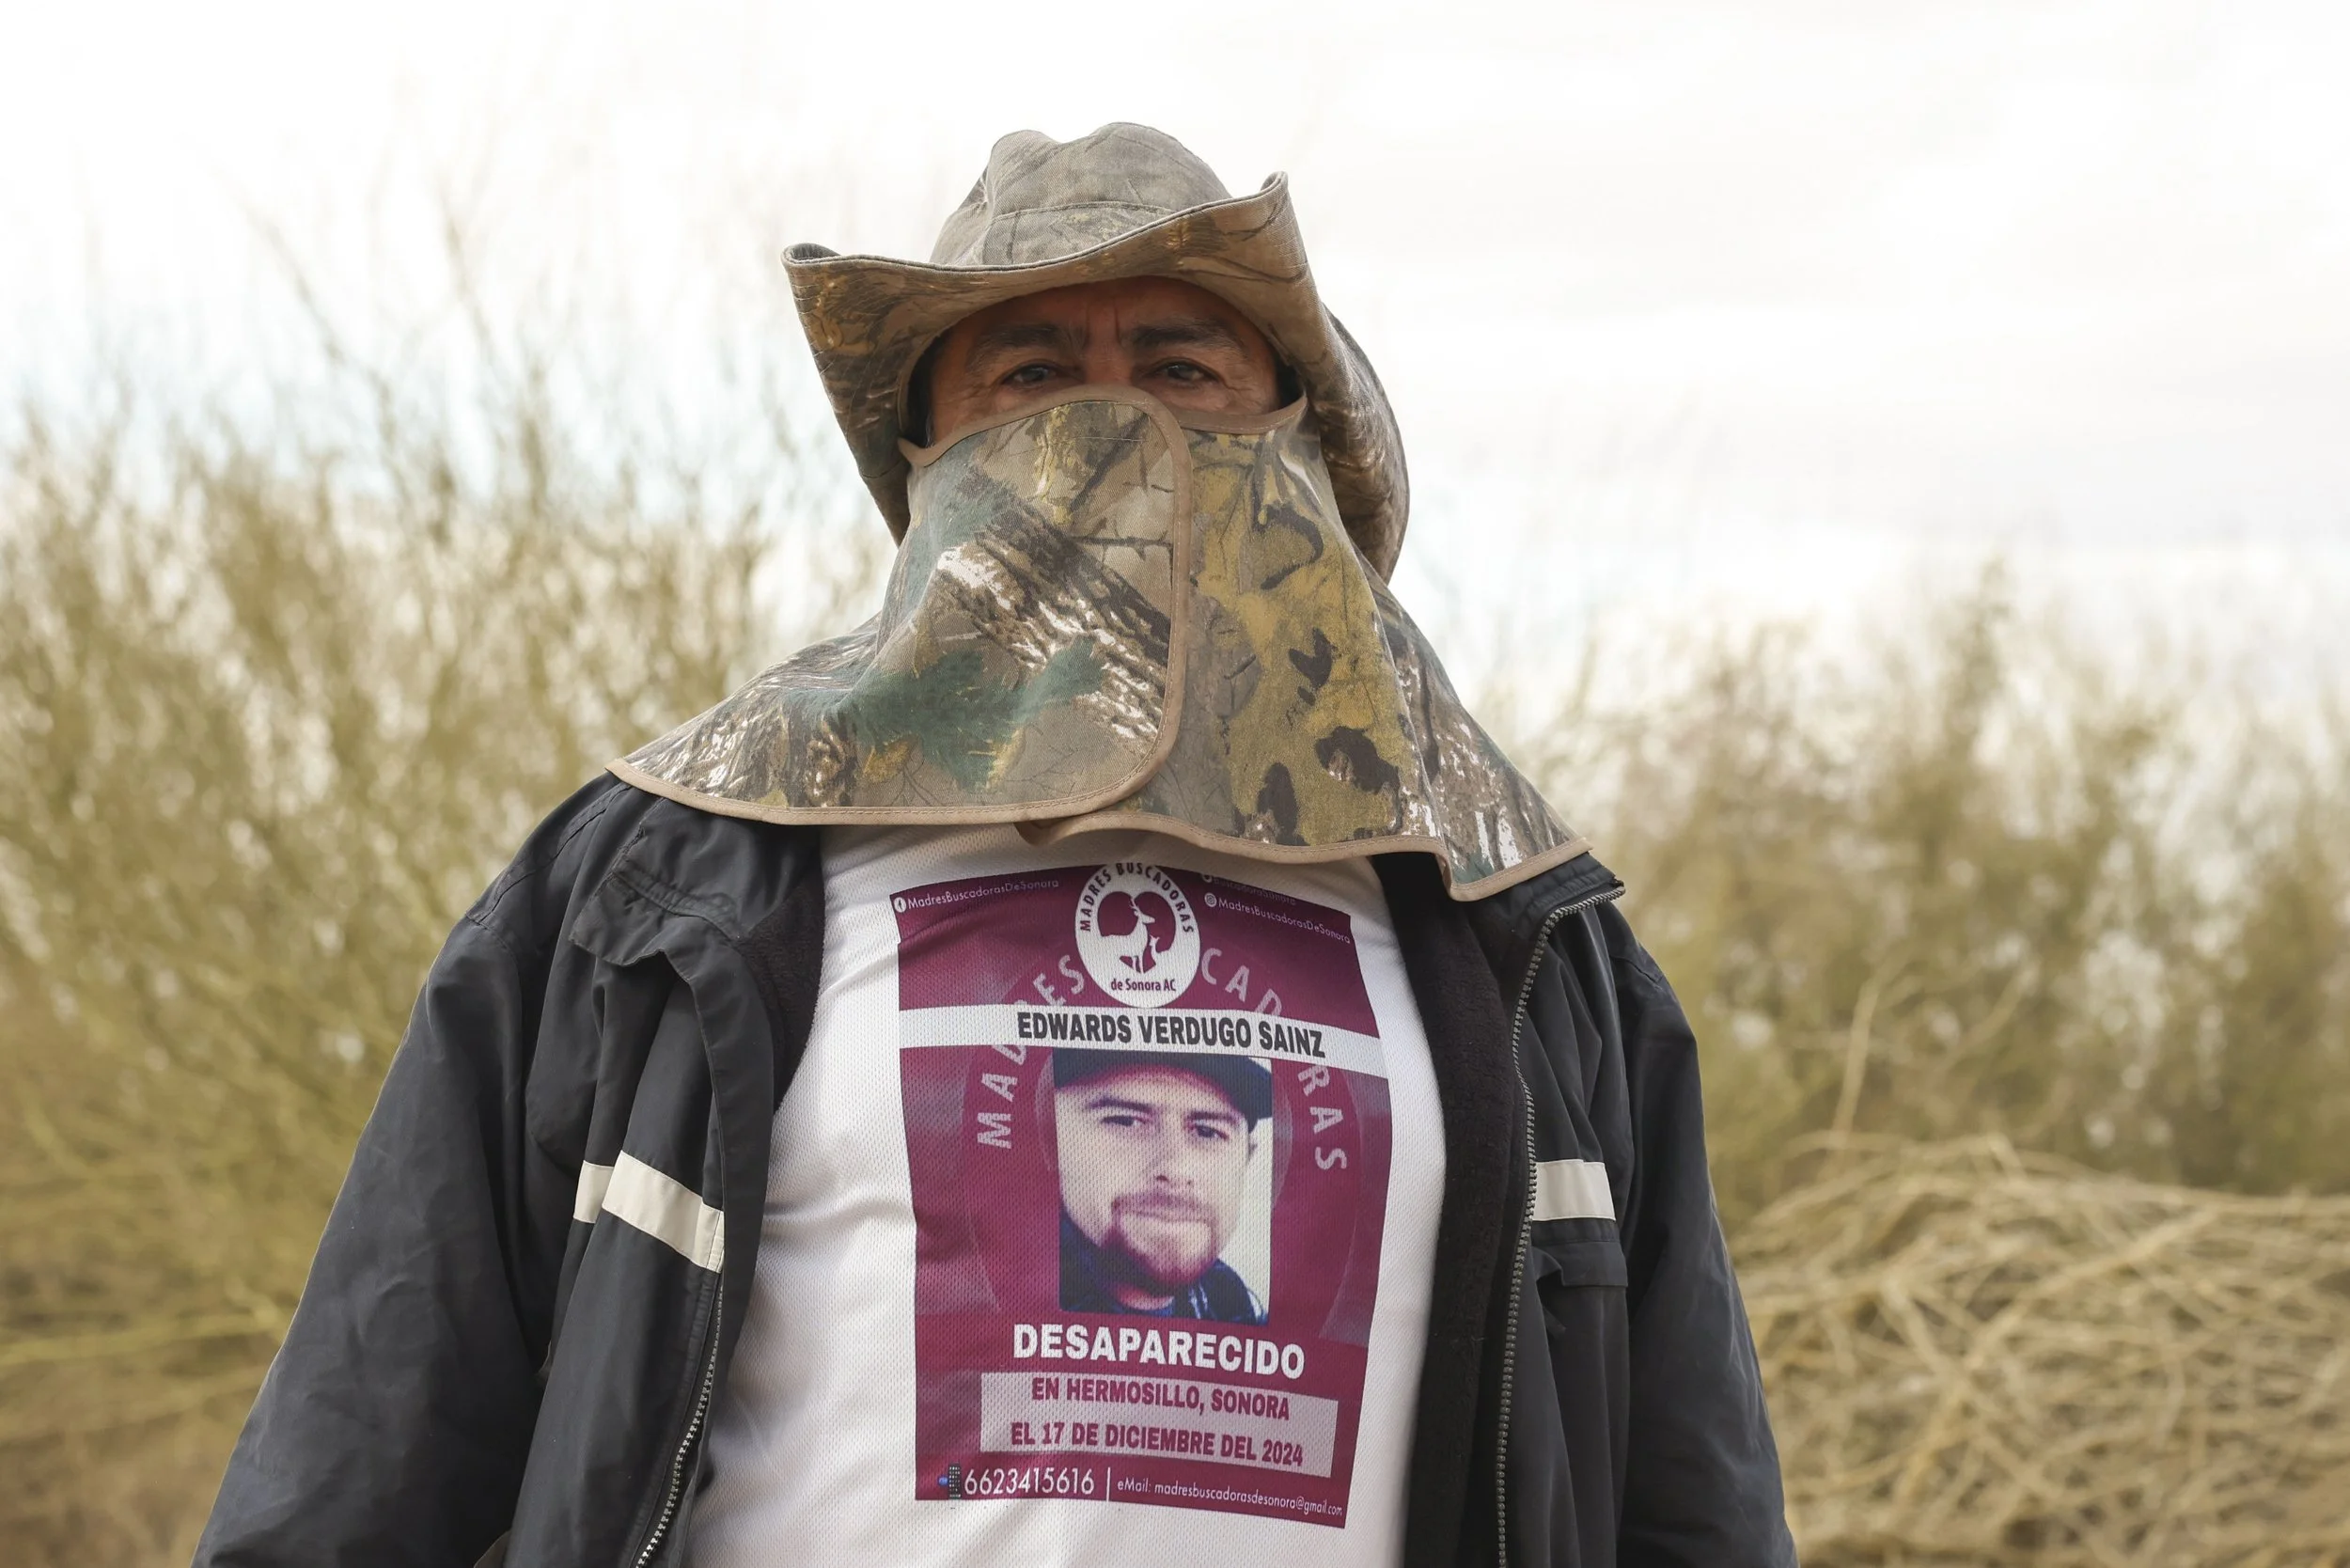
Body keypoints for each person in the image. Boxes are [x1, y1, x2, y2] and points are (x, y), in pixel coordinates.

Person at [196, 124, 1795, 1567]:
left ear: (1295, 432)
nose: (1110, 420)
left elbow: (1690, 1502)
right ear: (927, 461)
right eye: (1030, 372)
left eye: (1180, 365)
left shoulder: (1517, 923)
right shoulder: (658, 887)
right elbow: (364, 1457)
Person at [1053, 1049, 1271, 1324]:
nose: (1175, 1169)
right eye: (1125, 1121)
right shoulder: (1006, 1300)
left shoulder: (1234, 1306)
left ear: (1246, 1160)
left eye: (1207, 1132)